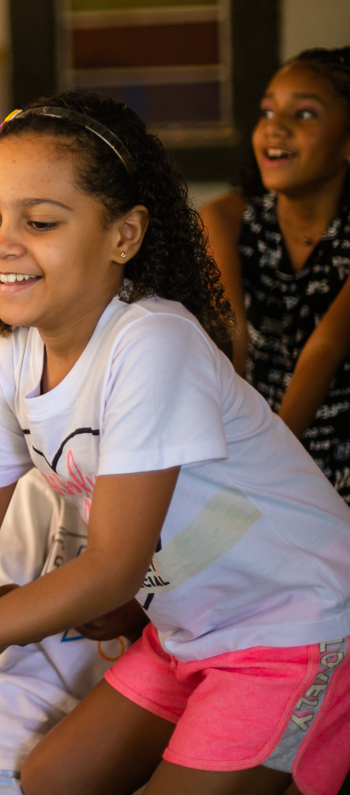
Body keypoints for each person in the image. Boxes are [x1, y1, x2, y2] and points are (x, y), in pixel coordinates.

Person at [0, 92, 350, 795]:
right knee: (50, 780)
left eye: (39, 221)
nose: (1, 243)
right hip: (189, 631)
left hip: (293, 622)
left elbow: (112, 567)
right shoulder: (15, 360)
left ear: (124, 235)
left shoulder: (152, 342)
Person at [0, 470, 148, 795]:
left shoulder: (204, 493)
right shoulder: (41, 483)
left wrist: (140, 622)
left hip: (142, 732)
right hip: (12, 715)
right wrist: (16, 612)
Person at [201, 47, 350, 503]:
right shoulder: (225, 219)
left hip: (325, 447)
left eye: (304, 113)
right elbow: (232, 336)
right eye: (268, 110)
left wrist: (269, 468)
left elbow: (324, 350)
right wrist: (226, 460)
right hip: (244, 435)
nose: (275, 126)